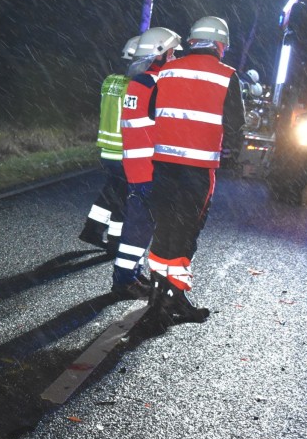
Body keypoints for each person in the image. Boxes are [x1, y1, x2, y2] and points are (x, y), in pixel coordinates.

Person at [138, 16, 245, 330]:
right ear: (219, 44)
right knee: (185, 236)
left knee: (164, 230)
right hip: (197, 172)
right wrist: (232, 153)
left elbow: (149, 112)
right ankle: (173, 301)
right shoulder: (227, 76)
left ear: (193, 41)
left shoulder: (167, 70)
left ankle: (157, 298)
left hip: (163, 167)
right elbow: (236, 125)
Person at [111, 27, 182, 299]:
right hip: (149, 167)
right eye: (172, 52)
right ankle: (123, 281)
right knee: (140, 226)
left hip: (136, 165)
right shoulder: (155, 84)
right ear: (159, 54)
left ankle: (130, 274)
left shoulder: (139, 82)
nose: (175, 57)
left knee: (139, 224)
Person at [78, 35, 141, 254]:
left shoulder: (110, 80)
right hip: (124, 150)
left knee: (111, 190)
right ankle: (115, 242)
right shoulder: (134, 86)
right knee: (122, 198)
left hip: (107, 149)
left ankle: (92, 230)